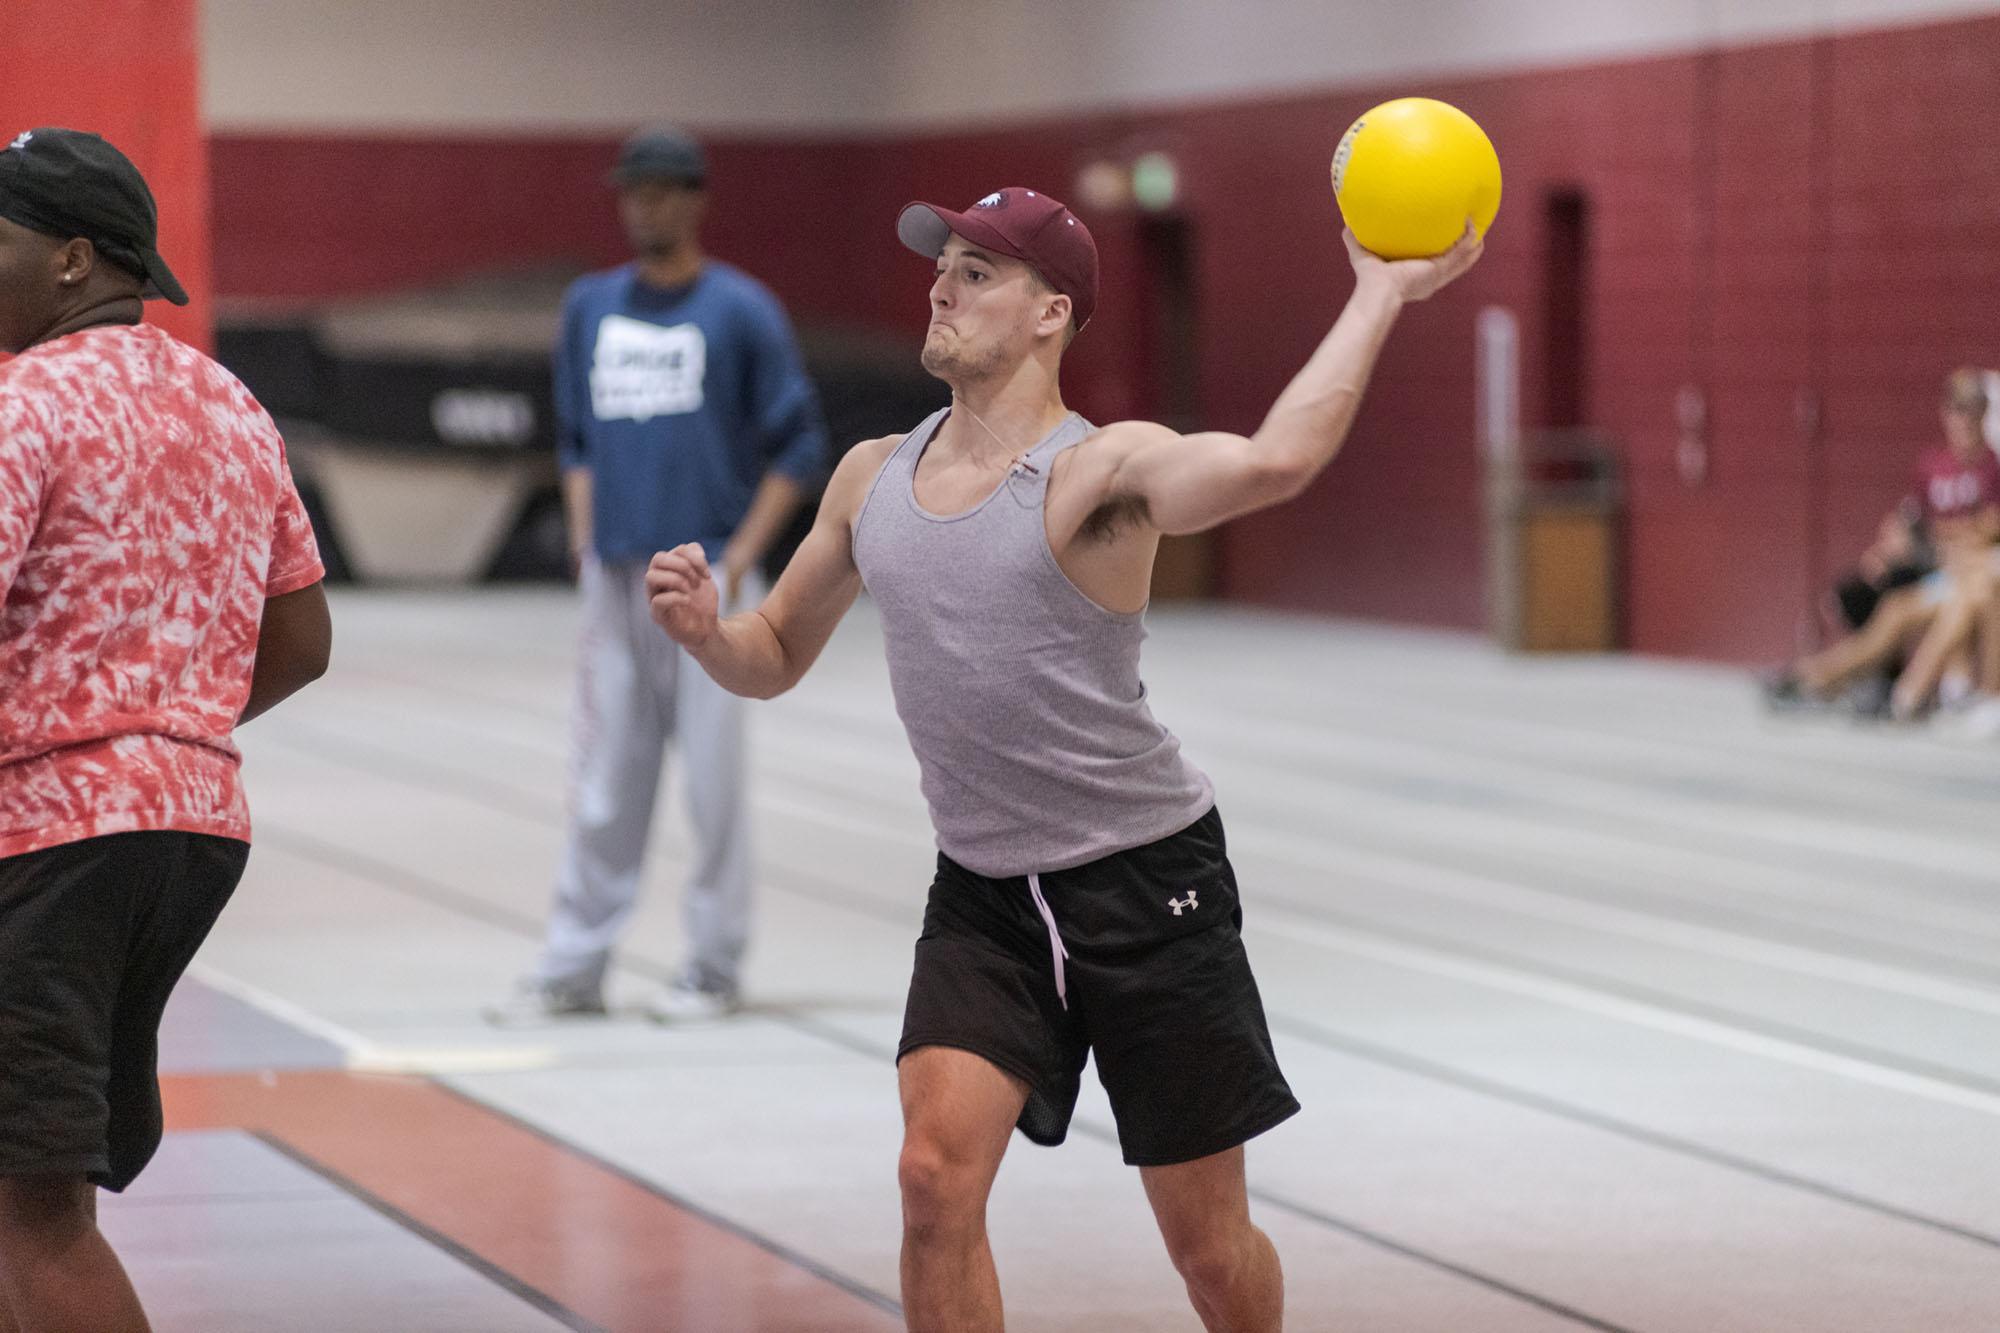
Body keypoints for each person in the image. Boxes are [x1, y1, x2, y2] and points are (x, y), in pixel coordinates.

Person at [643, 185, 1481, 1331]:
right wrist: (705, 635)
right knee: (931, 1181)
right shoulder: (869, 476)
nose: (941, 284)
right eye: (941, 264)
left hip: (1148, 887)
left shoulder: (1102, 477)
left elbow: (1276, 462)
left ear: (1051, 314)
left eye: (977, 272)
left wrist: (1377, 291)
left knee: (1209, 1253)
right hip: (983, 894)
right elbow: (776, 647)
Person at [0, 127, 330, 1333]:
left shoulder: (22, 403)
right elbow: (301, 641)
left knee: (38, 1222)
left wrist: (93, 733)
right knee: (24, 1200)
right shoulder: (229, 402)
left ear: (74, 259)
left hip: (48, 845)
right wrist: (163, 724)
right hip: (190, 832)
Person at [489, 126, 829, 1025]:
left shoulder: (741, 310)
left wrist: (743, 555)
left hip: (706, 574)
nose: (646, 205)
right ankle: (575, 965)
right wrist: (582, 532)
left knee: (713, 784)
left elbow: (798, 446)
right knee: (604, 776)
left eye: (664, 190)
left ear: (695, 198)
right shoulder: (590, 307)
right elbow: (574, 438)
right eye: (633, 191)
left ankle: (713, 965)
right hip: (612, 576)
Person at [1769, 370, 2000, 716]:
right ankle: (1810, 678)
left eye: (1972, 410)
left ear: (1984, 414)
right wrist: (1891, 548)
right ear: (1945, 412)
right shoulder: (1933, 465)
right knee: (1890, 617)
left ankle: (1913, 695)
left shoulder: (1991, 468)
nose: (1964, 419)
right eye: (1957, 409)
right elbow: (1910, 521)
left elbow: (1988, 529)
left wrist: (1947, 535)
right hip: (1944, 575)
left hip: (1972, 577)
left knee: (1965, 600)